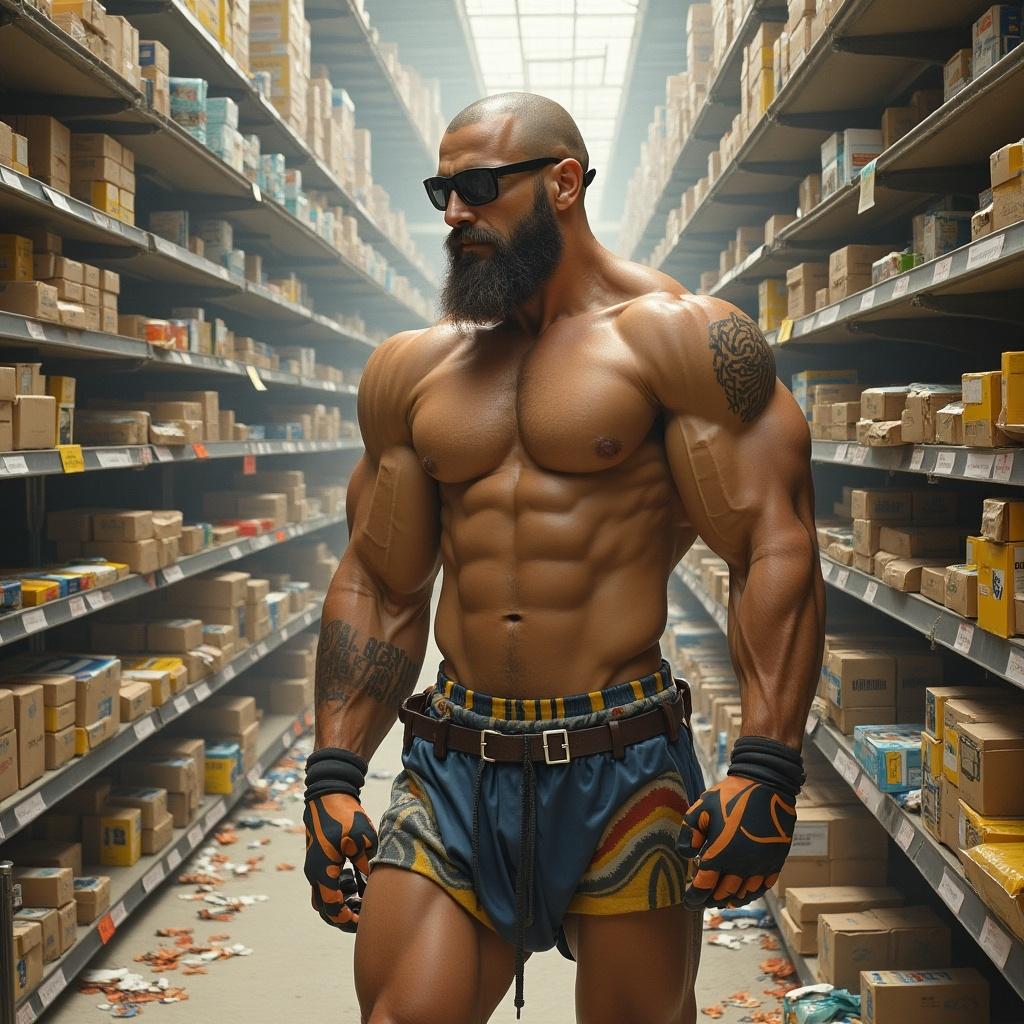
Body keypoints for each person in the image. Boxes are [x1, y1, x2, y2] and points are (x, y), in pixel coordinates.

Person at [302, 92, 825, 1024]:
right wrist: (335, 771)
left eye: (478, 188)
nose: (456, 214)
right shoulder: (411, 371)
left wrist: (767, 765)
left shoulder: (682, 340)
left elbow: (773, 542)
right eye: (442, 192)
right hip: (455, 763)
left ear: (565, 183)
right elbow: (381, 582)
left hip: (620, 764)